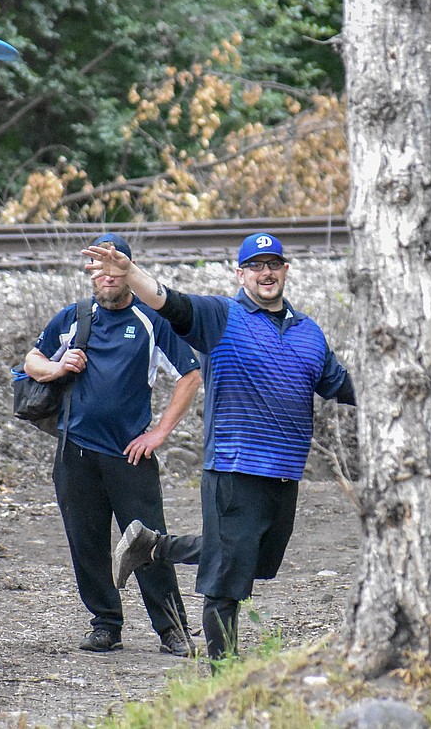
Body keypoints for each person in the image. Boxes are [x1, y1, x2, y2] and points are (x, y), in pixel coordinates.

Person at [85, 231, 356, 661]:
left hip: (285, 473)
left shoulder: (309, 332)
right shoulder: (220, 316)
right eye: (255, 266)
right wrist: (131, 273)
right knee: (226, 581)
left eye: (273, 265)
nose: (265, 273)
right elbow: (170, 302)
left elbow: (340, 384)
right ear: (240, 273)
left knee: (257, 562)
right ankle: (222, 672)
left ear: (285, 270)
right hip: (235, 467)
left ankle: (152, 547)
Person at [24, 233, 203, 656]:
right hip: (75, 452)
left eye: (115, 267)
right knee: (85, 542)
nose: (107, 276)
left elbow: (191, 376)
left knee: (147, 543)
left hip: (129, 455)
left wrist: (159, 433)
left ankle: (172, 629)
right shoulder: (74, 317)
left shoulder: (152, 321)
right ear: (91, 274)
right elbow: (30, 361)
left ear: (129, 271)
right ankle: (105, 624)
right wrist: (55, 367)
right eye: (98, 268)